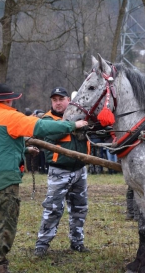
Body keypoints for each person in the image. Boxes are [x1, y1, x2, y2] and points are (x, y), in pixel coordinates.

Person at [0, 84, 88, 273]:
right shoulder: (10, 116)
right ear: (8, 99)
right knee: (4, 224)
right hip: (5, 179)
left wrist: (24, 149)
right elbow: (41, 126)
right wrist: (73, 125)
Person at [34, 87, 89, 257]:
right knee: (53, 209)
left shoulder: (80, 117)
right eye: (54, 100)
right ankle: (42, 245)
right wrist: (72, 126)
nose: (58, 103)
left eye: (61, 99)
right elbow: (50, 133)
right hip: (59, 171)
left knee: (80, 208)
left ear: (68, 101)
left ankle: (77, 242)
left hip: (80, 170)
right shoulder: (46, 120)